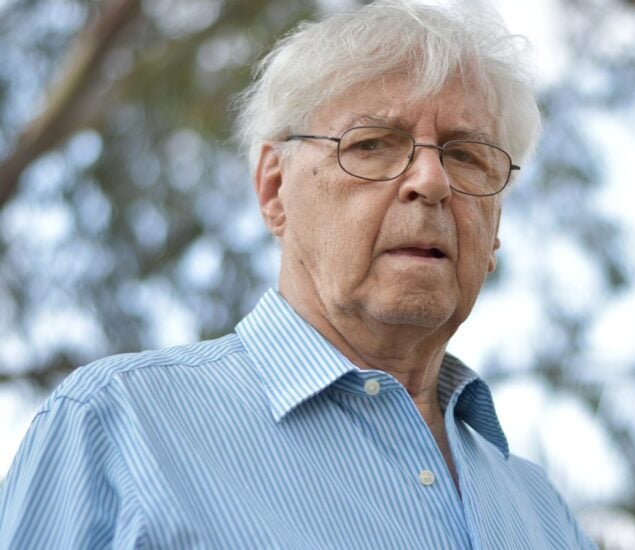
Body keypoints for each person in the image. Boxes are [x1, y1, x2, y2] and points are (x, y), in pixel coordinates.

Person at [0, 1, 596, 548]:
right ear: (273, 187)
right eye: (372, 144)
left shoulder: (543, 513)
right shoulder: (116, 426)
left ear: (495, 230)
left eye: (466, 155)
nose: (432, 182)